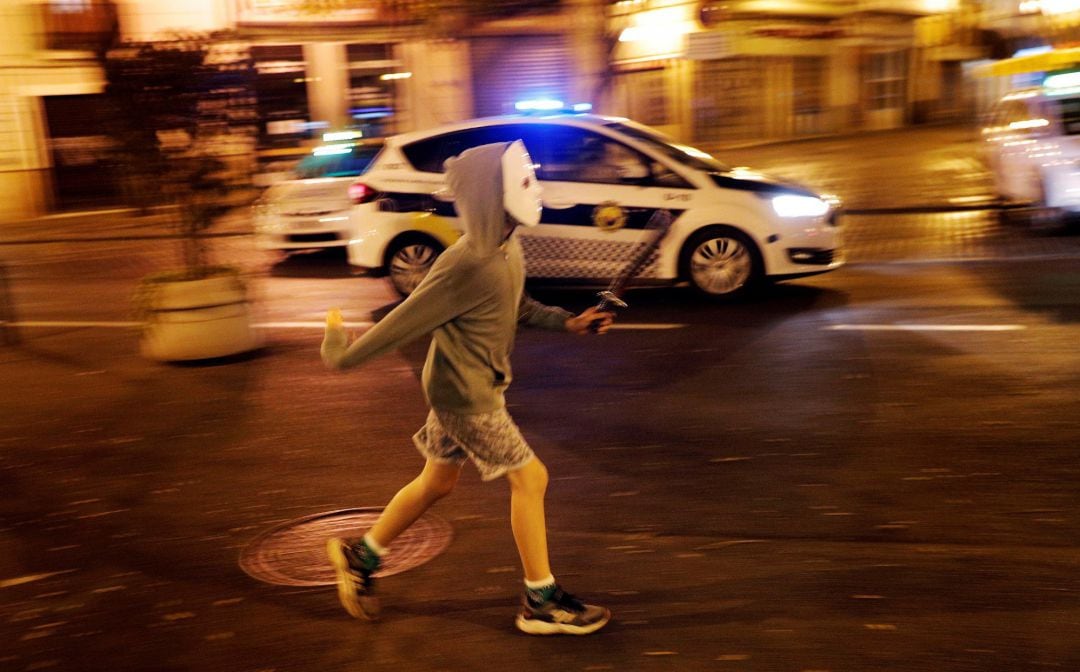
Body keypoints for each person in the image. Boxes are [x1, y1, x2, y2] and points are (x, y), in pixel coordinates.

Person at [320, 140, 614, 636]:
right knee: (531, 478)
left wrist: (569, 323)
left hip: (465, 382)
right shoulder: (465, 262)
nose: (533, 188)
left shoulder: (506, 245)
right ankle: (540, 601)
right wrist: (344, 355)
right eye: (521, 180)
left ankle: (361, 557)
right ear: (489, 193)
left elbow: (515, 306)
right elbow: (406, 320)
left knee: (438, 481)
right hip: (466, 394)